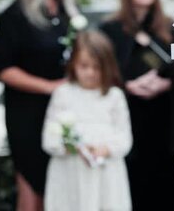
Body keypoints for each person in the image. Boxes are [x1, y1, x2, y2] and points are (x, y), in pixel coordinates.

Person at [0, 0, 80, 211]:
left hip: (64, 112)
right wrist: (47, 86)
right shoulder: (15, 16)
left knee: (60, 190)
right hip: (28, 113)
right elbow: (2, 68)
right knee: (31, 190)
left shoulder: (67, 14)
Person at [99, 0, 174, 211]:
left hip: (163, 124)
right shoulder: (109, 30)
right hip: (127, 123)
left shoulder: (170, 28)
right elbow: (101, 74)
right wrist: (126, 86)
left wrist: (166, 84)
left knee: (166, 191)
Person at [42, 30, 132, 211]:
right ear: (74, 63)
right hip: (71, 174)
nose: (90, 73)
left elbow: (124, 137)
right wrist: (72, 146)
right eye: (84, 66)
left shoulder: (114, 97)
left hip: (105, 175)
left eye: (96, 67)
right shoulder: (63, 94)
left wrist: (105, 149)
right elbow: (49, 138)